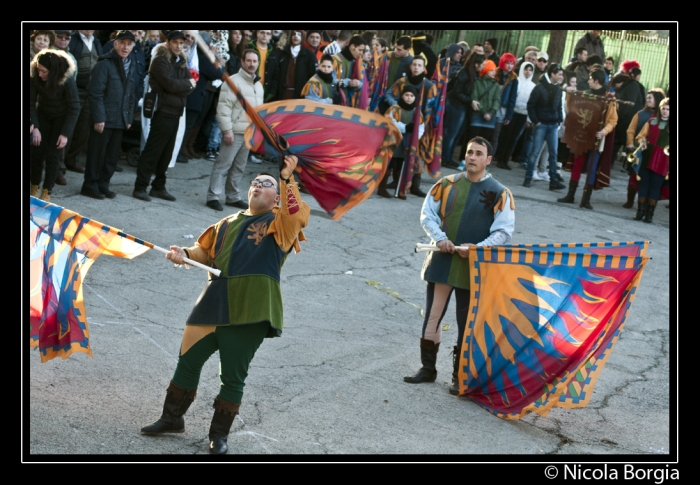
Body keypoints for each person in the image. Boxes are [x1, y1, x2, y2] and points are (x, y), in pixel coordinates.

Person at [140, 155, 310, 455]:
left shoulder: (281, 224)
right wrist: (184, 253)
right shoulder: (225, 222)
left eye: (266, 184)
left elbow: (296, 214)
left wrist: (286, 179)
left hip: (252, 307)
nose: (258, 185)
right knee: (188, 362)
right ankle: (171, 419)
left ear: (276, 198)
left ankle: (219, 436)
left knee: (232, 376)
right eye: (255, 182)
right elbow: (202, 253)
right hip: (212, 301)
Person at [405, 136, 514, 396]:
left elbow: (504, 231)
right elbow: (427, 215)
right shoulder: (446, 184)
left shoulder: (500, 192)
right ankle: (428, 369)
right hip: (442, 261)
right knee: (432, 317)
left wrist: (479, 249)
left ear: (488, 160)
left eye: (478, 153)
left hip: (473, 268)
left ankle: (459, 376)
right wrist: (440, 238)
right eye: (469, 152)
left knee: (466, 324)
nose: (472, 157)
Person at [132, 31, 195, 202]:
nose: (179, 46)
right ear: (168, 42)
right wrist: (184, 85)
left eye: (181, 43)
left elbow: (191, 86)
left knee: (167, 153)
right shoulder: (160, 60)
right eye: (175, 42)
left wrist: (182, 86)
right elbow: (169, 84)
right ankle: (140, 186)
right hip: (162, 111)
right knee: (153, 151)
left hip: (176, 111)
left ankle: (158, 187)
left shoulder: (180, 61)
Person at [80, 30, 137, 200]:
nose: (125, 47)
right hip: (103, 119)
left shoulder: (131, 64)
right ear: (115, 44)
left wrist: (128, 118)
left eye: (129, 44)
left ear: (133, 46)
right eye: (122, 43)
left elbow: (131, 93)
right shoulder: (104, 64)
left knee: (112, 156)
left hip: (119, 119)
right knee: (97, 154)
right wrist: (99, 117)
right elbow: (95, 93)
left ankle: (103, 185)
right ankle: (90, 185)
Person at [205, 49, 264, 212]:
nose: (252, 64)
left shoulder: (258, 86)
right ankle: (213, 196)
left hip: (248, 134)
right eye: (249, 61)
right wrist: (227, 130)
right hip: (234, 132)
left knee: (239, 167)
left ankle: (232, 197)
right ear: (242, 62)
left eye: (255, 61)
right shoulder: (232, 82)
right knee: (223, 164)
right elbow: (223, 109)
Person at [557, 67, 618, 209]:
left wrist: (604, 131)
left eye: (590, 78)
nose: (588, 81)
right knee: (577, 164)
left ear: (596, 81)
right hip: (582, 136)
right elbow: (572, 108)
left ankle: (586, 199)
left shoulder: (609, 99)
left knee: (592, 167)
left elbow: (613, 120)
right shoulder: (584, 94)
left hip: (596, 138)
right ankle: (570, 195)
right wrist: (570, 96)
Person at [29, 49, 80, 202]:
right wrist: (35, 126)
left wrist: (65, 134)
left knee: (53, 156)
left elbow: (74, 108)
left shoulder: (66, 79)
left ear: (52, 71)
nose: (40, 74)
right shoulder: (35, 76)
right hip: (43, 114)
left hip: (61, 117)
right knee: (36, 152)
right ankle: (33, 187)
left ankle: (47, 191)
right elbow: (30, 103)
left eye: (44, 72)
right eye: (38, 70)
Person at [522, 63, 566, 190]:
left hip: (553, 125)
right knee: (535, 152)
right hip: (541, 124)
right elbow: (531, 105)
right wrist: (536, 121)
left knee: (553, 153)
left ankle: (553, 181)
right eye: (559, 74)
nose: (561, 77)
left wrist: (559, 120)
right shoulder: (539, 88)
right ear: (552, 74)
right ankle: (528, 177)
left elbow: (559, 106)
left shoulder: (557, 89)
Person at [65, 30, 104, 174]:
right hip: (75, 89)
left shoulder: (97, 42)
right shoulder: (73, 39)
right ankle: (59, 165)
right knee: (68, 127)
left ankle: (72, 161)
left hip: (91, 91)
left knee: (83, 130)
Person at [377, 83, 425, 199]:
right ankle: (382, 188)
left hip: (408, 142)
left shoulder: (416, 112)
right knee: (390, 163)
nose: (409, 98)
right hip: (394, 141)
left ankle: (400, 188)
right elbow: (390, 121)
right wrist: (405, 127)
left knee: (401, 165)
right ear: (402, 96)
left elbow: (421, 127)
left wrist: (415, 137)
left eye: (411, 96)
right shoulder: (394, 109)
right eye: (406, 95)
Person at [622, 88, 666, 209]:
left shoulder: (662, 118)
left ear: (657, 100)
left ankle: (646, 204)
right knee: (633, 176)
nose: (647, 100)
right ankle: (630, 200)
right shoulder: (641, 114)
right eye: (647, 98)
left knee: (650, 180)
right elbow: (631, 130)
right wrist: (630, 143)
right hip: (640, 150)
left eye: (650, 98)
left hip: (655, 154)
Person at [442, 52, 485, 169]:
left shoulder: (472, 74)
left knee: (457, 135)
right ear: (476, 64)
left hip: (462, 106)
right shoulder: (464, 73)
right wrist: (470, 100)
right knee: (452, 134)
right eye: (482, 64)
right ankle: (445, 158)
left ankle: (448, 157)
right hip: (456, 105)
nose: (483, 67)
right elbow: (457, 92)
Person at [632, 98, 669, 223]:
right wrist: (642, 142)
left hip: (663, 161)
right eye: (663, 108)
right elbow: (640, 136)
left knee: (655, 186)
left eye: (668, 109)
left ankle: (649, 215)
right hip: (648, 156)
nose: (665, 111)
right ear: (660, 109)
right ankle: (640, 212)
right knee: (644, 183)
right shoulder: (651, 121)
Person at [494, 61, 536, 169]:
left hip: (523, 114)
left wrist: (528, 119)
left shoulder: (533, 86)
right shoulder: (515, 81)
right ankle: (500, 158)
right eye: (526, 69)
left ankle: (505, 160)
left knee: (514, 138)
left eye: (530, 70)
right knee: (506, 136)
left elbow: (532, 103)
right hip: (513, 112)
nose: (528, 72)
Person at [488, 52, 518, 157]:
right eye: (507, 63)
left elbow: (512, 98)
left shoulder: (514, 79)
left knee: (495, 136)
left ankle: (489, 159)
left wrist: (509, 115)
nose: (510, 66)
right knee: (486, 133)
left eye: (512, 63)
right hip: (490, 106)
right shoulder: (494, 73)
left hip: (502, 109)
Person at [277, 30, 318, 100]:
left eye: (299, 35)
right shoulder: (283, 53)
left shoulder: (309, 55)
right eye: (294, 34)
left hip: (301, 94)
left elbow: (313, 75)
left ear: (303, 37)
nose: (296, 36)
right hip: (283, 93)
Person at [466, 60, 500, 143]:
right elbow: (475, 97)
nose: (494, 72)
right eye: (491, 70)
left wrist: (491, 113)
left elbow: (497, 100)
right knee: (472, 140)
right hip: (477, 115)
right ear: (486, 70)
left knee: (484, 142)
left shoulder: (495, 85)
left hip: (490, 117)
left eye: (494, 70)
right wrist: (484, 112)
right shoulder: (477, 82)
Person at [331, 35, 366, 108]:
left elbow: (361, 84)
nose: (361, 53)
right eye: (360, 50)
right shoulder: (334, 59)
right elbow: (329, 81)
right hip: (334, 103)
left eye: (363, 51)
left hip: (348, 103)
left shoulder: (357, 62)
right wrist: (347, 82)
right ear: (352, 46)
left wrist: (358, 84)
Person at [247, 30, 281, 102]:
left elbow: (276, 75)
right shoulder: (248, 48)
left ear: (271, 36)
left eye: (268, 33)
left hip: (265, 93)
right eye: (262, 32)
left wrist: (271, 94)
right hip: (248, 89)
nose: (265, 35)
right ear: (257, 33)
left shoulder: (273, 54)